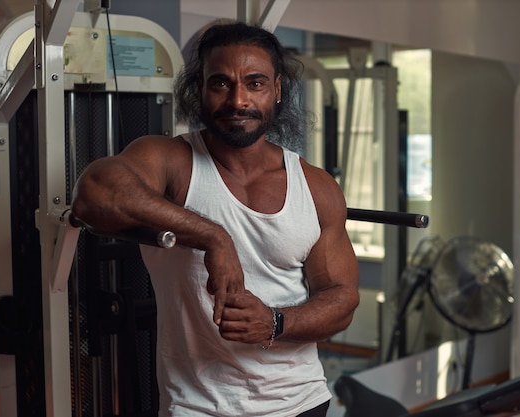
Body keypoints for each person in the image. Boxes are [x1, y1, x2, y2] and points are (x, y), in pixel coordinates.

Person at [71, 21, 359, 417]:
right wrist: (212, 236)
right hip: (199, 407)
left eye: (255, 83)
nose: (238, 100)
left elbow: (342, 300)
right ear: (200, 89)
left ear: (276, 89)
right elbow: (94, 194)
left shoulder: (316, 186)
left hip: (300, 403)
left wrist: (274, 323)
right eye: (221, 83)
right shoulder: (171, 162)